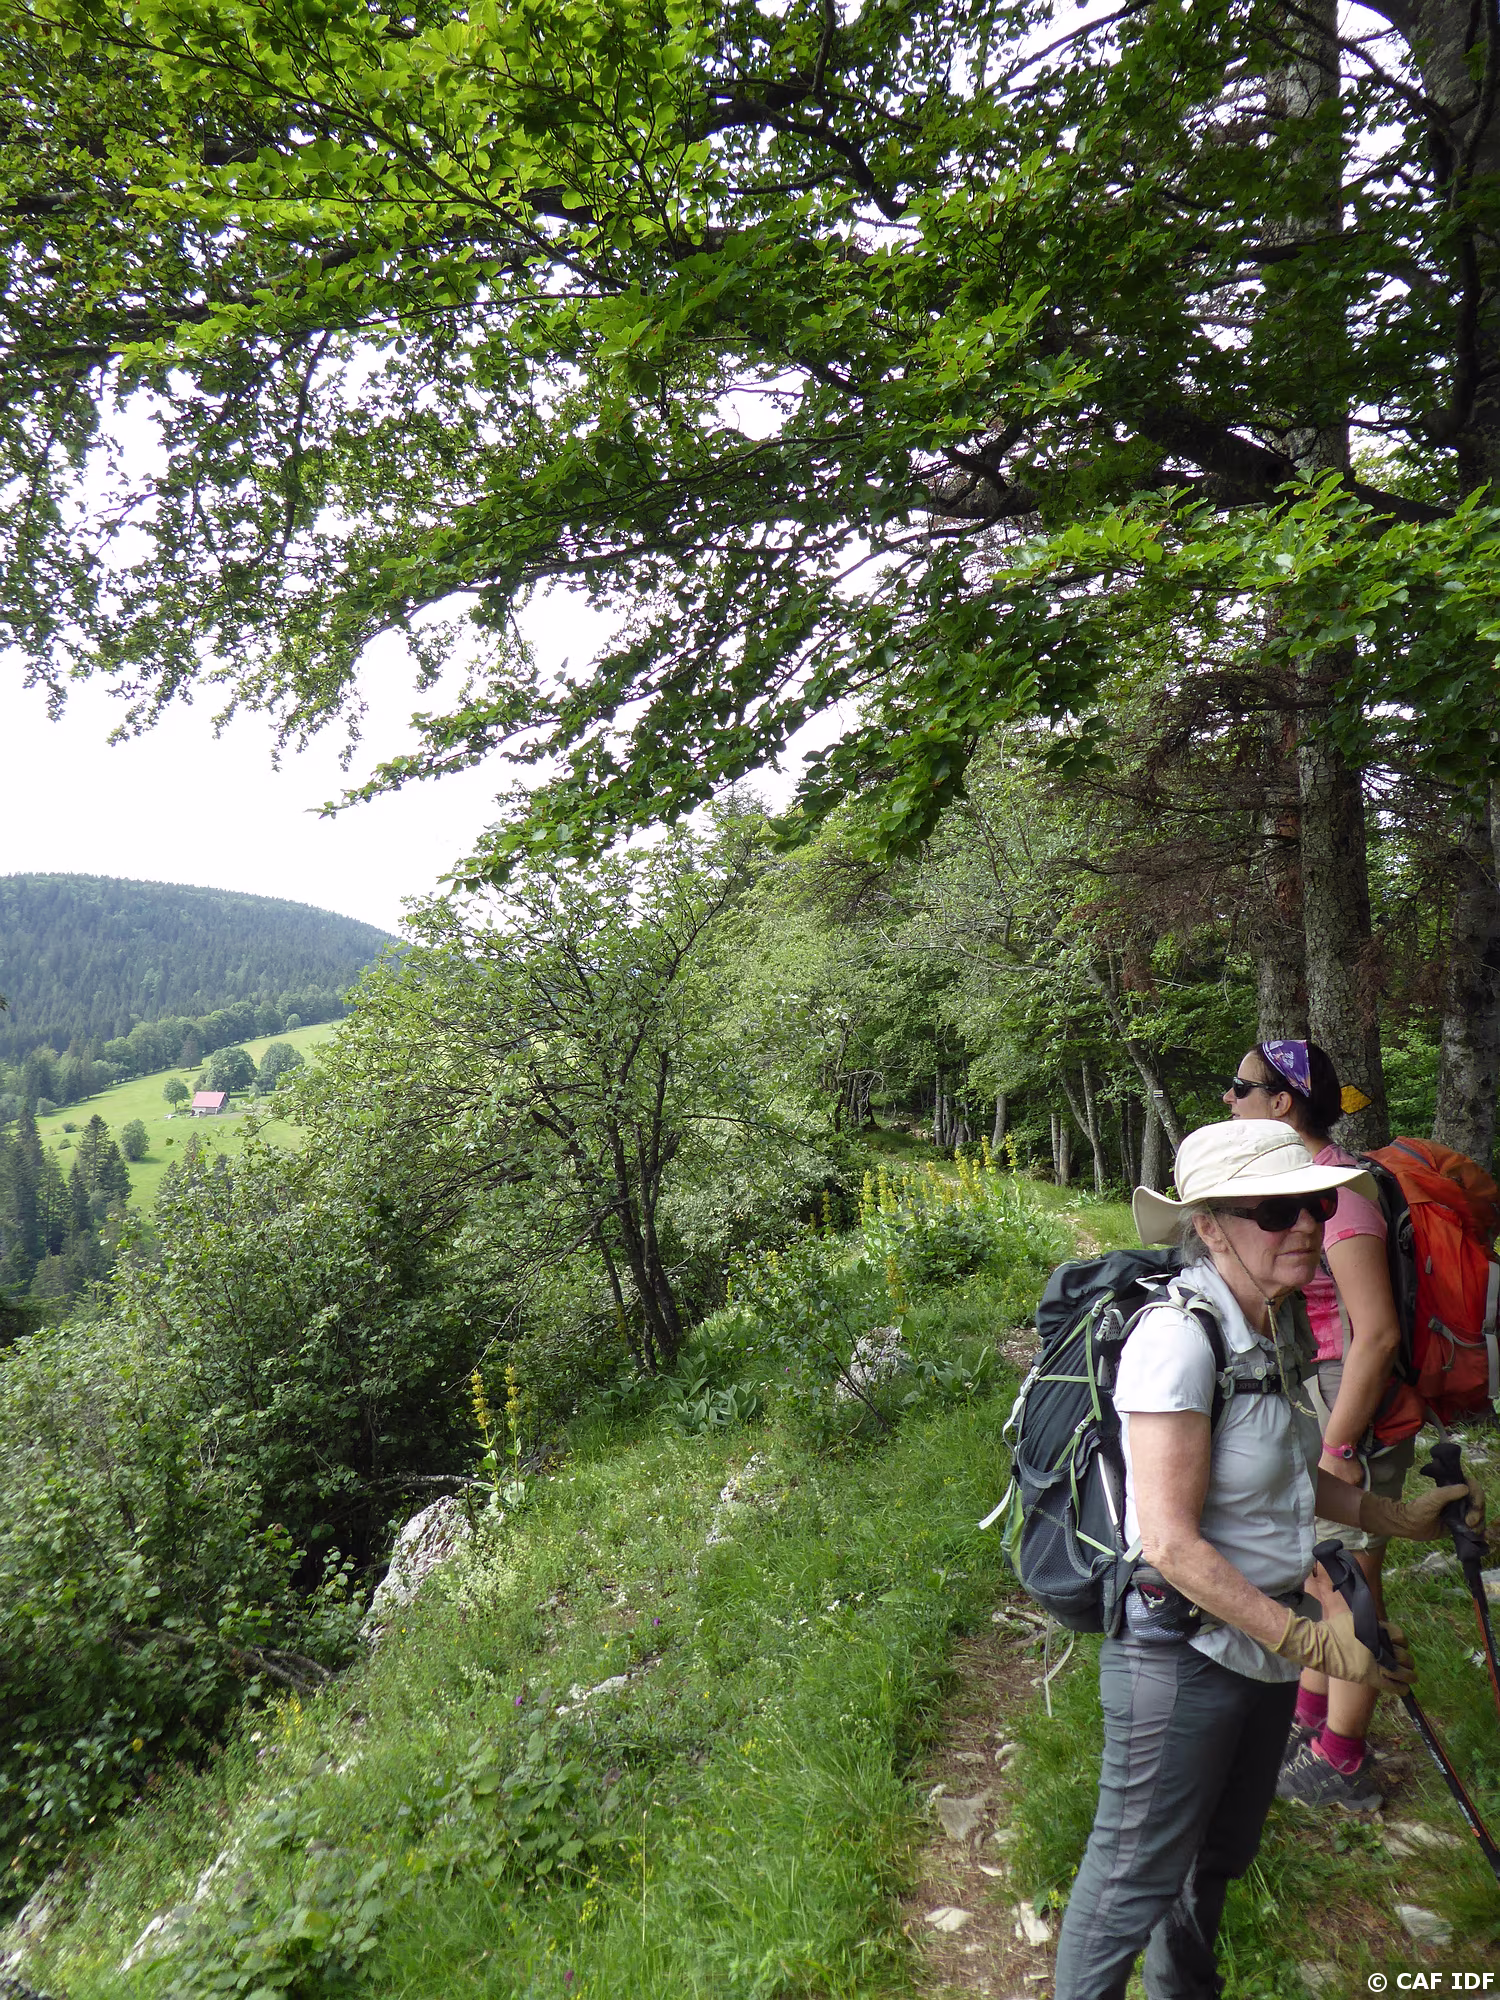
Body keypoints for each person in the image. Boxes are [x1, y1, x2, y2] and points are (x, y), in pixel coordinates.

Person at [1052, 1119, 1483, 2000]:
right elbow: (1170, 1542)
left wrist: (1393, 1516)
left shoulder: (1271, 1323)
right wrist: (1316, 1644)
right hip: (1181, 1653)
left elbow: (1285, 1472)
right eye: (1275, 1211)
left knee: (1216, 1856)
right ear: (1208, 1226)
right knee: (1130, 1879)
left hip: (1259, 1646)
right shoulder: (1179, 1341)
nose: (1307, 1225)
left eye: (1315, 1204)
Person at [1223, 1037, 1405, 1811]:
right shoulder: (1302, 1181)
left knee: (1351, 1581)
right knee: (1318, 1569)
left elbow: (1379, 1334)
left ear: (1282, 1103)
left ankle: (1345, 1759)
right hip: (1319, 1389)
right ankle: (1309, 1718)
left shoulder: (1342, 1193)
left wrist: (1338, 1445)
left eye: (1240, 1088)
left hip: (1351, 1401)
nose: (1229, 1100)